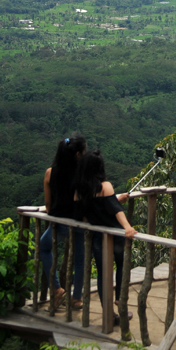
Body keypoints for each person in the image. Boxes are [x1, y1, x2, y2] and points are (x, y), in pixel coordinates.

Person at [74, 150, 136, 324]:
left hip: (97, 237)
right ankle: (119, 299)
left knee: (103, 275)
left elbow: (83, 215)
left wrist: (114, 200)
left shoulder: (79, 192)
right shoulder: (105, 186)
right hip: (115, 235)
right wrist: (127, 227)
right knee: (122, 267)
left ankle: (108, 313)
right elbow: (116, 210)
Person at [40, 134, 87, 308]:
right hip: (77, 223)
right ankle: (76, 298)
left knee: (44, 247)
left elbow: (47, 204)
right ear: (77, 155)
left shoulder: (50, 172)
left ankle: (56, 287)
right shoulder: (82, 175)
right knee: (79, 259)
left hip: (57, 223)